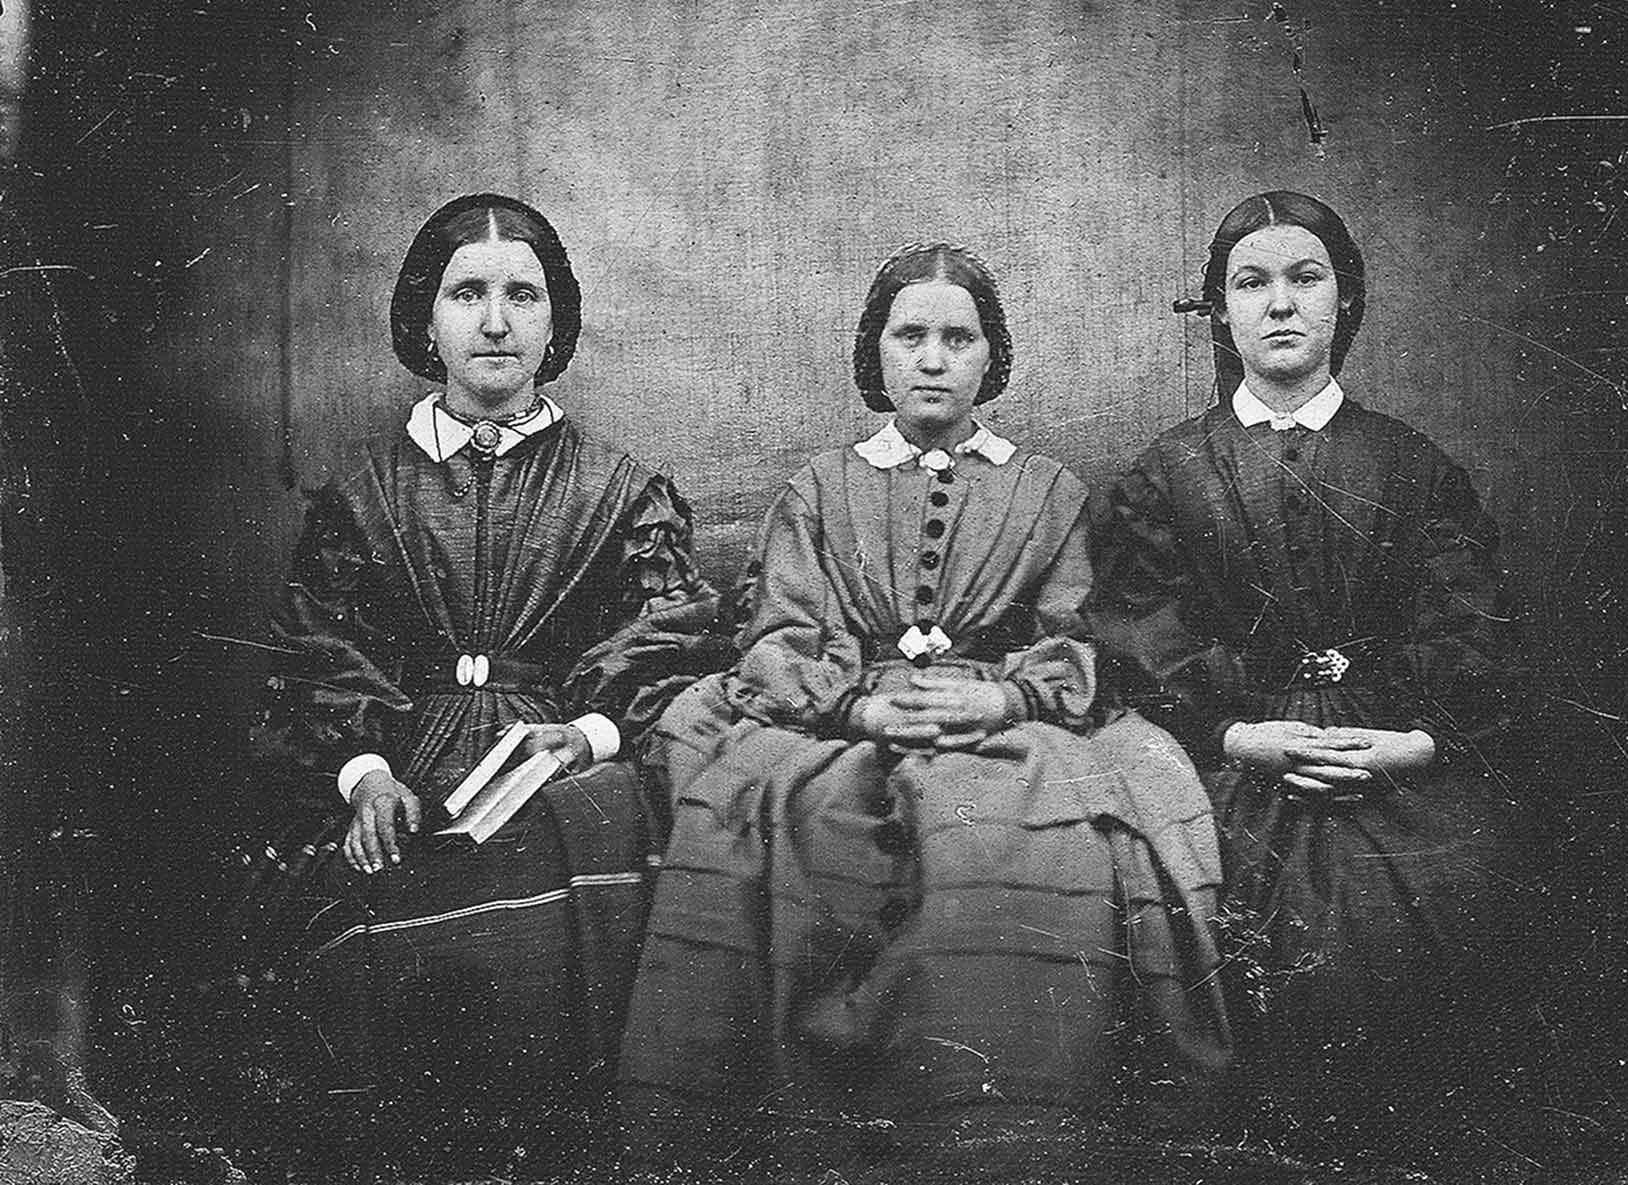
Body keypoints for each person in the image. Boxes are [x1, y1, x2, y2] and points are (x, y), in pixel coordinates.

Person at [618, 243, 1228, 1176]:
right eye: (911, 337)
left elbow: (1075, 633)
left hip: (1003, 723)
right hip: (844, 722)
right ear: (878, 351)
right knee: (807, 816)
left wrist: (1006, 694)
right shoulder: (819, 489)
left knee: (1021, 834)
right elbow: (780, 637)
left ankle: (1001, 1130)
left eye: (958, 338)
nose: (934, 359)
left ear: (992, 355)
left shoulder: (1049, 490)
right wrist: (857, 708)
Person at [247, 192, 722, 1170]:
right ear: (425, 319)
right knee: (361, 909)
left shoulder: (619, 489)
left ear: (555, 322)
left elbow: (668, 648)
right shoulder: (364, 493)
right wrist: (366, 776)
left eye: (523, 296)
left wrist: (586, 737)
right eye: (468, 294)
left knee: (583, 876)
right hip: (400, 755)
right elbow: (317, 656)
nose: (497, 322)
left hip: (558, 761)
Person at [1091, 191, 1535, 1171]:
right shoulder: (1170, 472)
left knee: (1462, 883)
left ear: (1346, 300)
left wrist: (1412, 744)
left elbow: (1473, 634)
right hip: (1233, 753)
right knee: (1221, 904)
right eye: (1252, 283)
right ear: (1220, 310)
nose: (1281, 303)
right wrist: (1238, 736)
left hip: (1394, 748)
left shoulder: (1412, 465)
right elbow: (1137, 638)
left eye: (1306, 278)